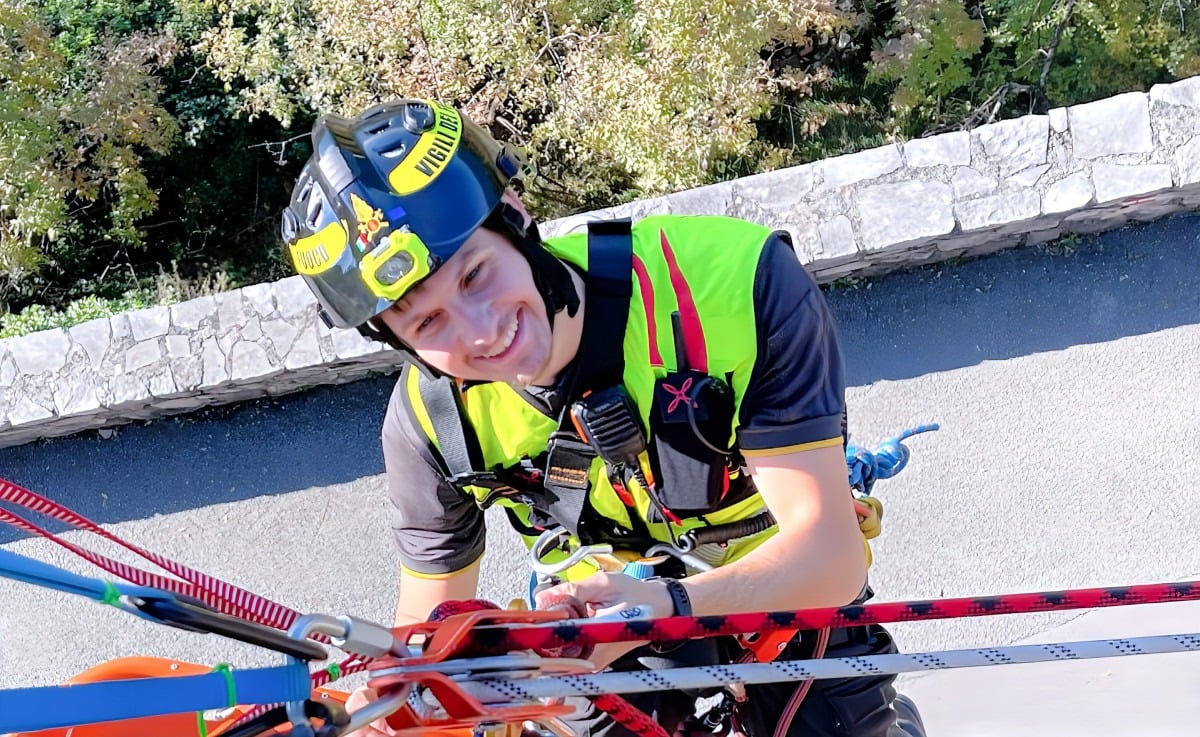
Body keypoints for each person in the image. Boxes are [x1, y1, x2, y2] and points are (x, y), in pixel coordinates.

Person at [280, 98, 924, 737]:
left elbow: (832, 555)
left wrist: (667, 607)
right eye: (427, 322)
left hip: (777, 581)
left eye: (475, 274)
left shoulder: (734, 284)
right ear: (397, 341)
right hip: (589, 626)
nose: (479, 333)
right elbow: (432, 640)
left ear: (515, 217)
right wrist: (388, 710)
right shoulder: (430, 422)